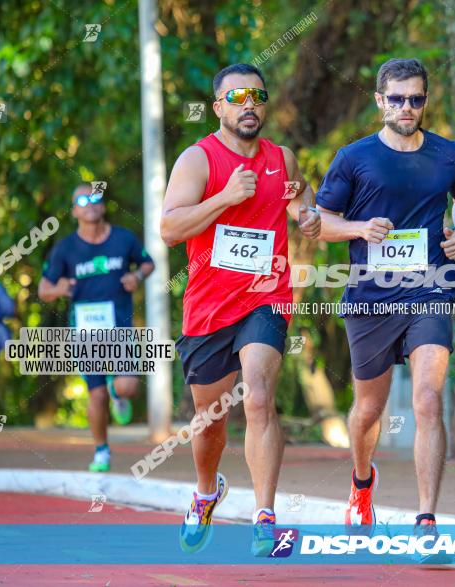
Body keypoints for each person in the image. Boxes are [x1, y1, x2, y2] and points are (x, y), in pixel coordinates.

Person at [315, 58, 455, 545]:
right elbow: (322, 221)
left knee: (428, 398)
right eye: (397, 98)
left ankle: (426, 518)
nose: (406, 107)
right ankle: (362, 482)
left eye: (416, 99)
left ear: (426, 101)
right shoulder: (354, 158)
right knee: (369, 408)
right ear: (380, 101)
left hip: (431, 285)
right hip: (370, 297)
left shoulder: (449, 154)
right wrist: (358, 228)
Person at [161, 63, 320, 555]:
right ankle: (207, 490)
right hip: (209, 308)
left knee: (257, 397)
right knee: (209, 422)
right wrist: (226, 197)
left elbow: (303, 205)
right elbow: (170, 229)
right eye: (236, 97)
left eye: (257, 95)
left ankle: (264, 517)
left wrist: (310, 217)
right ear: (218, 107)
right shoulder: (198, 159)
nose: (248, 103)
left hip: (266, 298)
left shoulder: (282, 159)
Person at [39, 185, 155, 471]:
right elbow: (44, 289)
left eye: (95, 199)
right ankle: (102, 450)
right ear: (75, 210)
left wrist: (137, 276)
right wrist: (58, 288)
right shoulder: (65, 248)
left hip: (119, 325)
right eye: (82, 200)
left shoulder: (123, 238)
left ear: (103, 206)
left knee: (126, 386)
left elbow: (148, 263)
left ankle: (119, 395)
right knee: (97, 394)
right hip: (86, 329)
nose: (89, 204)